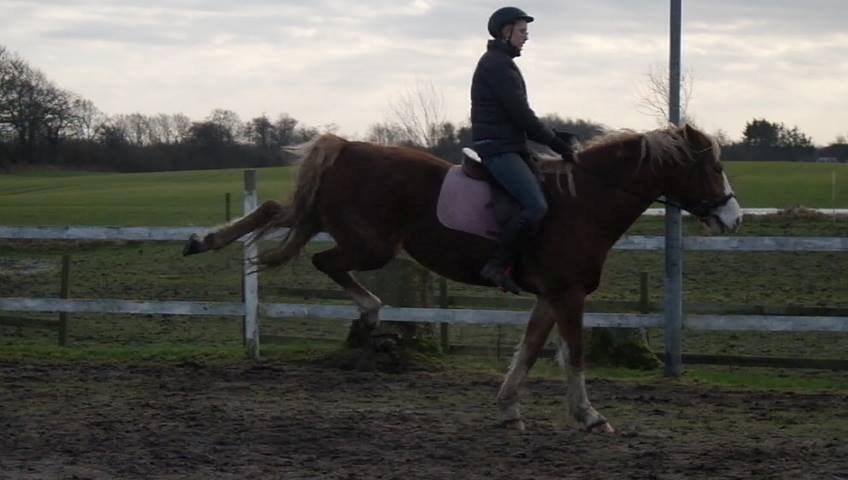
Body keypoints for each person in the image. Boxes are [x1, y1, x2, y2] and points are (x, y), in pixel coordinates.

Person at [471, 6, 576, 294]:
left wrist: (555, 138)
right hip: (497, 149)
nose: (525, 38)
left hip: (510, 146)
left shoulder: (502, 63)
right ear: (506, 32)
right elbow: (523, 116)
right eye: (522, 32)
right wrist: (556, 144)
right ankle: (496, 264)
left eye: (526, 32)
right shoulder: (497, 65)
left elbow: (521, 118)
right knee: (536, 206)